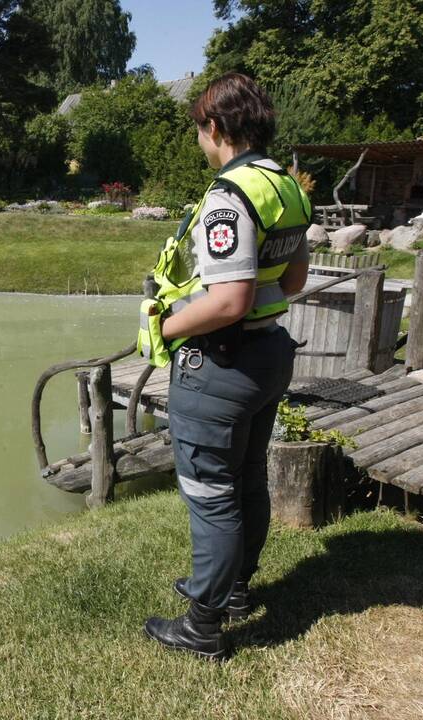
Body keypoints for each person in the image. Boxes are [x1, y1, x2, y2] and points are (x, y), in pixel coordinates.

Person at [141, 73, 311, 660]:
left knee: (210, 492)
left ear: (214, 127)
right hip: (269, 357)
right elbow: (292, 280)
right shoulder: (286, 186)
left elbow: (229, 300)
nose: (198, 139)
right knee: (248, 478)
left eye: (198, 129)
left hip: (223, 365)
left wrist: (159, 327)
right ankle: (235, 588)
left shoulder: (228, 195)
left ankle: (203, 625)